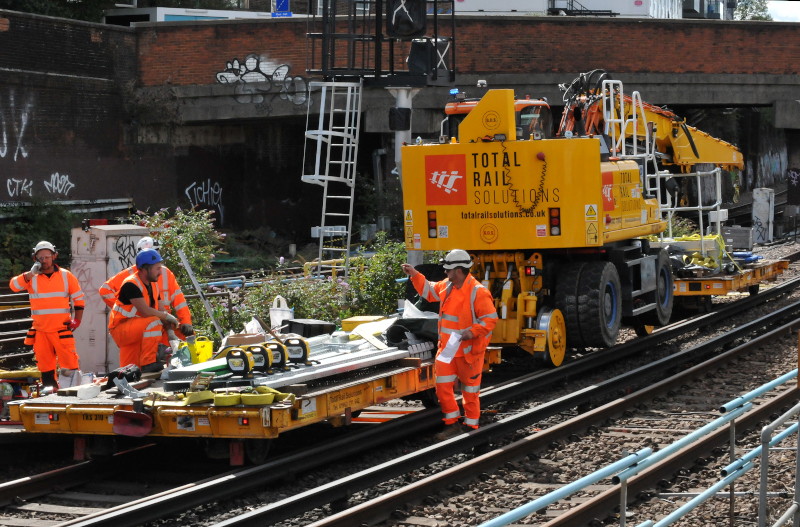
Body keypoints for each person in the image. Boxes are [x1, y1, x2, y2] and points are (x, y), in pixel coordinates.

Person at [401, 249, 498, 439]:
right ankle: (452, 423)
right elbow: (429, 290)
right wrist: (415, 275)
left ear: (458, 271)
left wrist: (471, 332)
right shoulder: (448, 286)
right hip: (447, 349)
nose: (445, 272)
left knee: (470, 392)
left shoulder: (478, 292)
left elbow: (490, 320)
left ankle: (471, 428)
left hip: (469, 352)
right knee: (442, 387)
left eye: (448, 270)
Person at [9, 241, 85, 390]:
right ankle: (50, 394)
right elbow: (14, 286)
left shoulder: (66, 276)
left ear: (54, 256)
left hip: (61, 330)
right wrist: (30, 274)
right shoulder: (31, 278)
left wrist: (77, 320)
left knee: (69, 365)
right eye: (40, 258)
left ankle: (71, 394)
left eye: (47, 257)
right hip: (41, 331)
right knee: (45, 367)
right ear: (35, 259)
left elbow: (79, 298)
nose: (44, 261)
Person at [99, 236, 193, 341]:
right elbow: (105, 290)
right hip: (144, 322)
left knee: (187, 339)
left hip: (164, 322)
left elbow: (179, 300)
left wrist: (186, 322)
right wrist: (130, 310)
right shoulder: (130, 275)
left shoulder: (166, 273)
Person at [108, 248, 179, 372]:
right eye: (157, 269)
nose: (160, 273)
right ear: (145, 268)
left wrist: (170, 332)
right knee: (154, 321)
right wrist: (166, 317)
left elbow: (162, 312)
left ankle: (145, 365)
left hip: (137, 331)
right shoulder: (131, 284)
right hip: (122, 330)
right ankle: (149, 362)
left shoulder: (153, 285)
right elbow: (146, 312)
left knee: (130, 371)